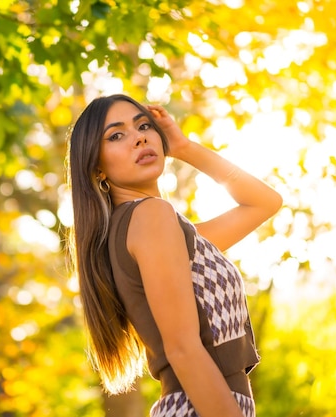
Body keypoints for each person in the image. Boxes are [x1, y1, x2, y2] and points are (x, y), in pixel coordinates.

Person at [66, 94, 282, 417]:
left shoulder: (161, 228)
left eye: (143, 126)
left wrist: (182, 146)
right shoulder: (152, 217)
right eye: (116, 135)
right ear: (96, 167)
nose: (139, 136)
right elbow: (183, 349)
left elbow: (264, 203)